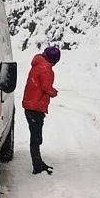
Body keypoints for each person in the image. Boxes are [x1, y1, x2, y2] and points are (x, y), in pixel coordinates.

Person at [22, 46, 61, 174]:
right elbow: (46, 86)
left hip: (30, 105)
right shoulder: (45, 68)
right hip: (35, 106)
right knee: (36, 138)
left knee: (35, 136)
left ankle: (38, 162)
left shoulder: (38, 64)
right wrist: (53, 92)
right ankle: (37, 165)